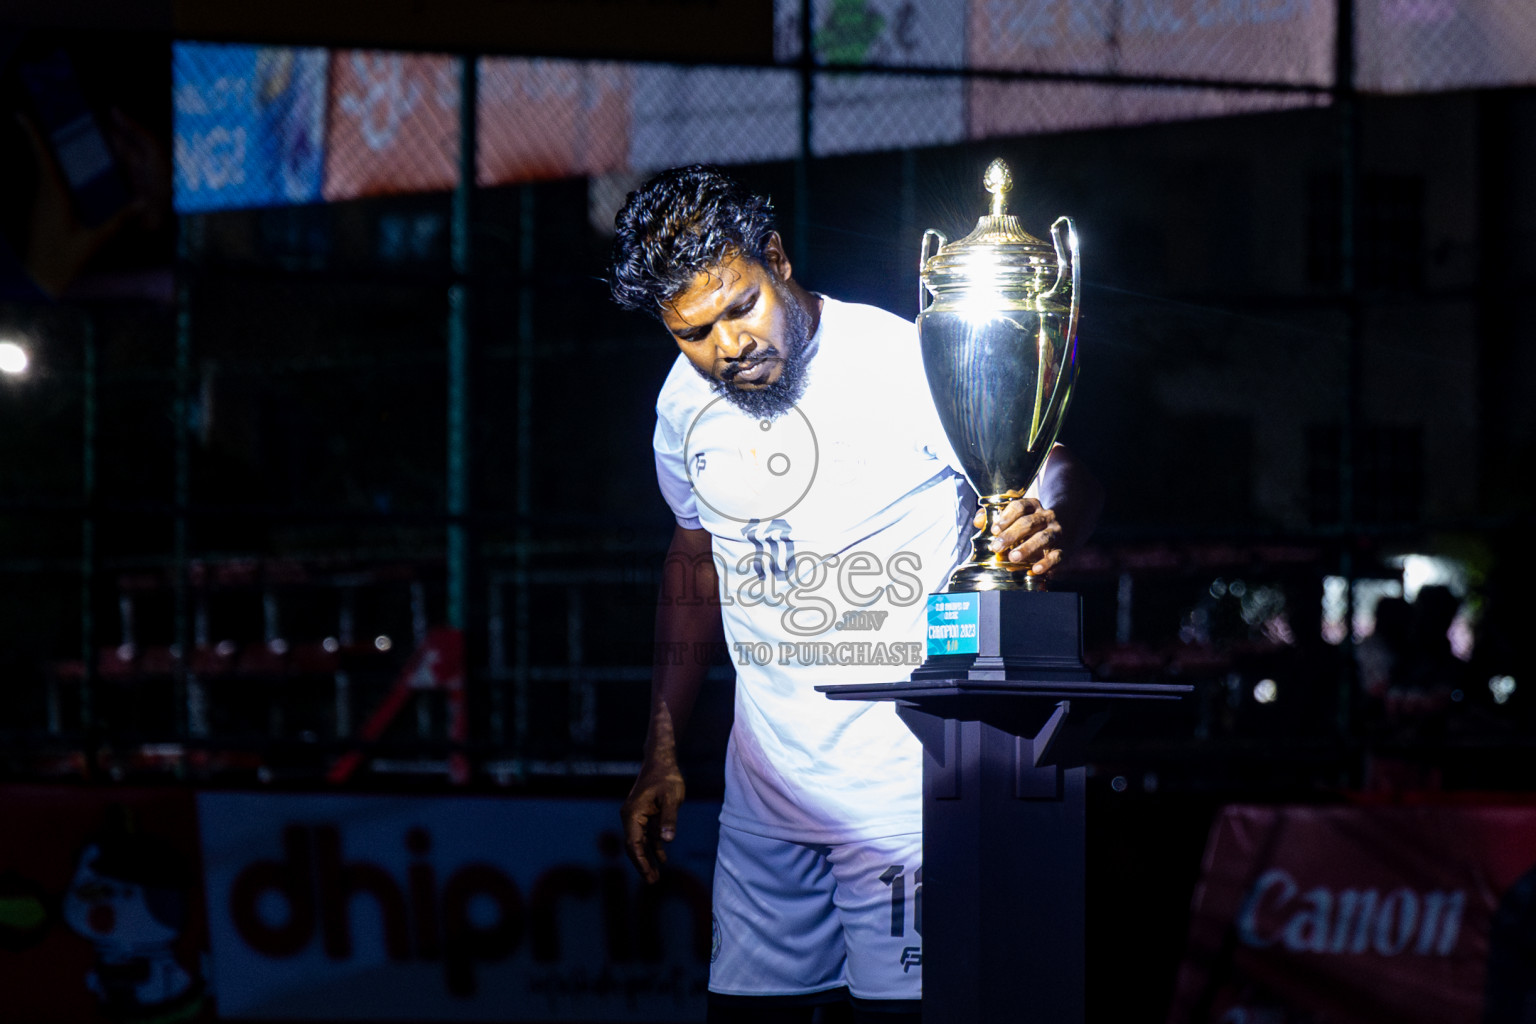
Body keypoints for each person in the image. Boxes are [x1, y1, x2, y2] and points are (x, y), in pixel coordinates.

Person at [609, 165, 1103, 1023]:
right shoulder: (682, 405)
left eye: (740, 306)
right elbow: (692, 558)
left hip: (903, 805)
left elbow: (1053, 466)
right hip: (765, 808)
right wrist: (662, 747)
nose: (728, 345)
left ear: (777, 259)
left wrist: (1044, 521)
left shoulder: (898, 360)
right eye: (693, 331)